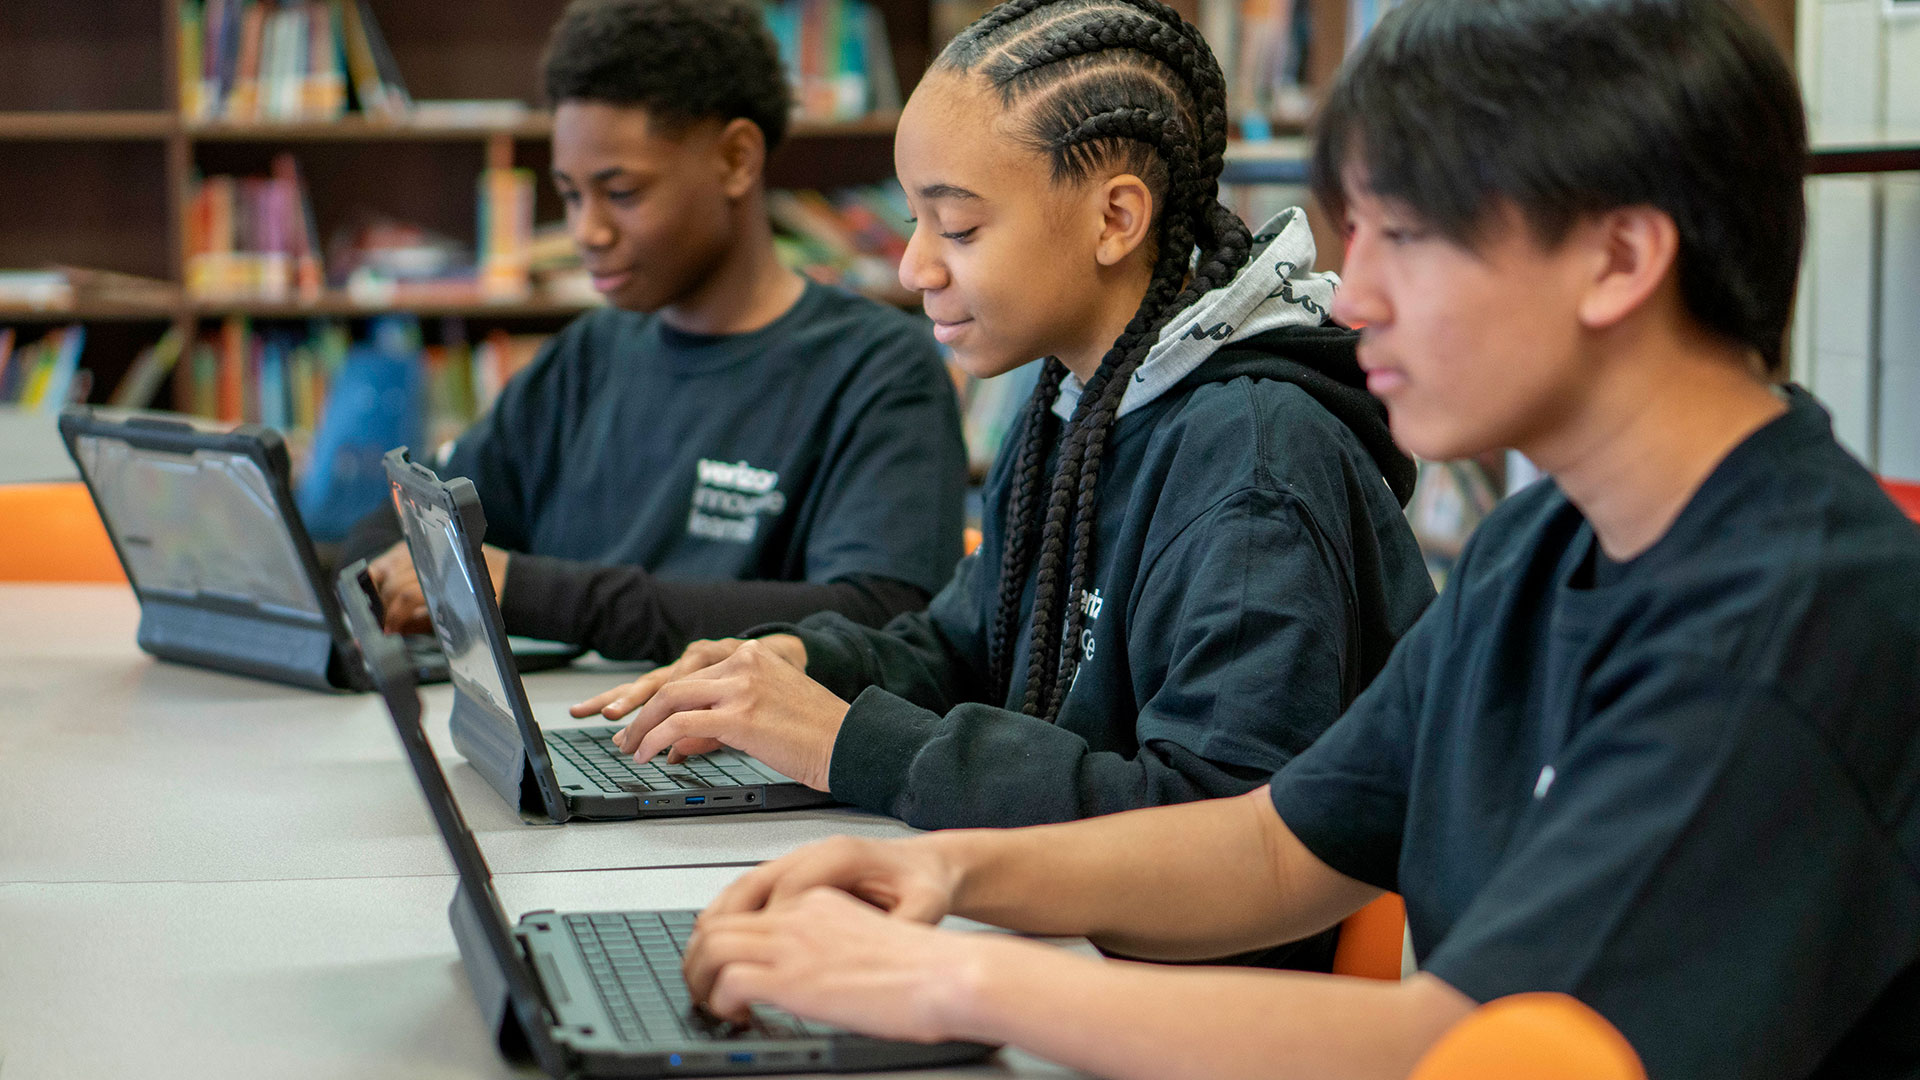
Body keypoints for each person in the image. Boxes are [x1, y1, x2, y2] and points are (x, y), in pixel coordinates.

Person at [667, 0, 1920, 1075]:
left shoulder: (1790, 618)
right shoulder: (1541, 542)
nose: (1354, 293)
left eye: (1407, 238)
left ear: (1620, 258)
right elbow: (1277, 844)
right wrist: (949, 882)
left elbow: (1463, 1043)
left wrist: (947, 983)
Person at [576, 0, 1433, 855]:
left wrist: (846, 744)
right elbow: (963, 647)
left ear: (1116, 219)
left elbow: (1212, 827)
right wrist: (797, 667)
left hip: (1168, 976)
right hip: (1056, 921)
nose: (915, 266)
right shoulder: (1076, 400)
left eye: (959, 227)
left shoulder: (1255, 466)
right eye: (918, 223)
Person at [344, 0, 968, 664]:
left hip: (726, 755)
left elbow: (879, 616)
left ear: (735, 159)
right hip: (568, 734)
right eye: (573, 195)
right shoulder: (590, 353)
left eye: (622, 193)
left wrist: (530, 593)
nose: (587, 232)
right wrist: (367, 578)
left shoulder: (878, 370)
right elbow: (425, 519)